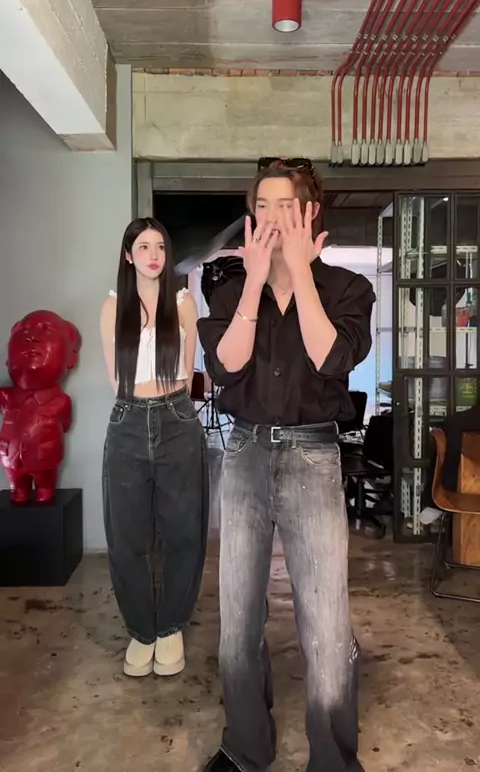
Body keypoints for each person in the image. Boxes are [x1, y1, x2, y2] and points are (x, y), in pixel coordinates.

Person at [198, 160, 375, 772]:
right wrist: (253, 283)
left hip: (313, 454)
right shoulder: (228, 292)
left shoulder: (348, 289)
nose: (272, 217)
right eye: (263, 206)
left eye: (285, 205)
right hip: (245, 453)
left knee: (326, 621)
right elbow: (226, 367)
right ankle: (245, 747)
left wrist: (300, 273)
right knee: (238, 617)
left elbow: (332, 361)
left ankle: (333, 760)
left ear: (310, 213)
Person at [100, 217, 209, 678]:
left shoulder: (183, 303)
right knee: (127, 536)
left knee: (184, 532)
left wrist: (169, 406)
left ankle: (172, 627)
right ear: (128, 256)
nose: (153, 255)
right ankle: (141, 630)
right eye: (143, 247)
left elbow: (187, 370)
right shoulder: (112, 307)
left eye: (160, 246)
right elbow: (115, 379)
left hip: (176, 419)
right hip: (127, 421)